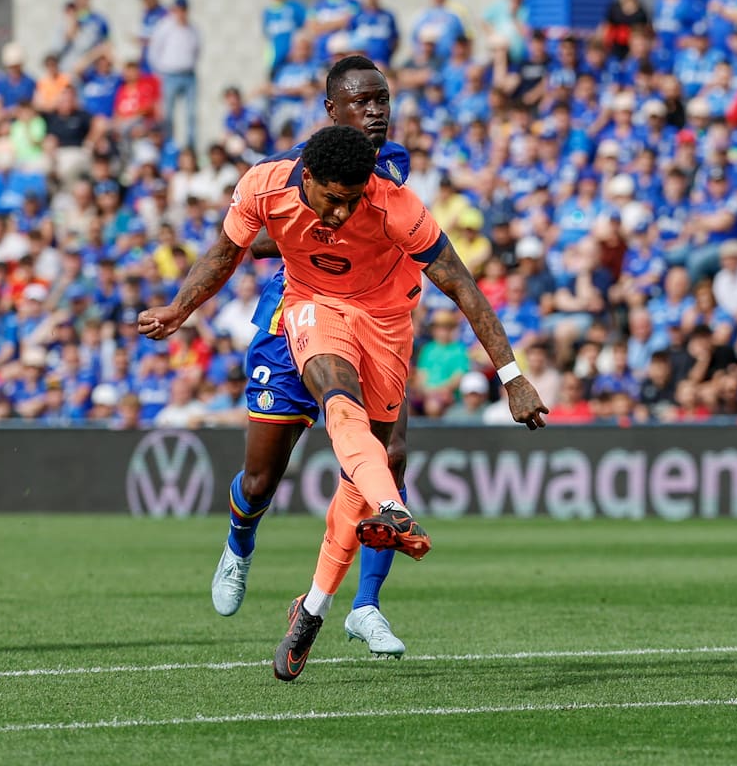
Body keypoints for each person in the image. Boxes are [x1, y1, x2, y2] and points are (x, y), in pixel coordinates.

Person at [139, 125, 547, 682]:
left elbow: (462, 286)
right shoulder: (267, 181)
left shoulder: (393, 198)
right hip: (309, 307)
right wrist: (179, 309)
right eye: (333, 200)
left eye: (352, 201)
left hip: (384, 323)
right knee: (309, 435)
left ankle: (317, 608)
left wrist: (512, 376)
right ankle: (358, 518)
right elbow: (232, 249)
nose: (341, 214)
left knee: (376, 461)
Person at [205, 56, 415, 659]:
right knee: (261, 478)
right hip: (291, 317)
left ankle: (366, 604)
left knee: (387, 456)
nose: (375, 113)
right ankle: (239, 541)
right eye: (362, 103)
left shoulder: (391, 162)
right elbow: (256, 236)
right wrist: (302, 227)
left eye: (382, 101)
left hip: (368, 318)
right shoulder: (292, 168)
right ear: (332, 110)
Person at [148, 0, 202, 149]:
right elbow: (154, 50)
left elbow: (197, 50)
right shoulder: (165, 27)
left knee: (190, 113)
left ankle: (190, 146)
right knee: (168, 113)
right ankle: (169, 144)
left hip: (188, 74)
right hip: (170, 74)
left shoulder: (193, 29)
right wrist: (159, 71)